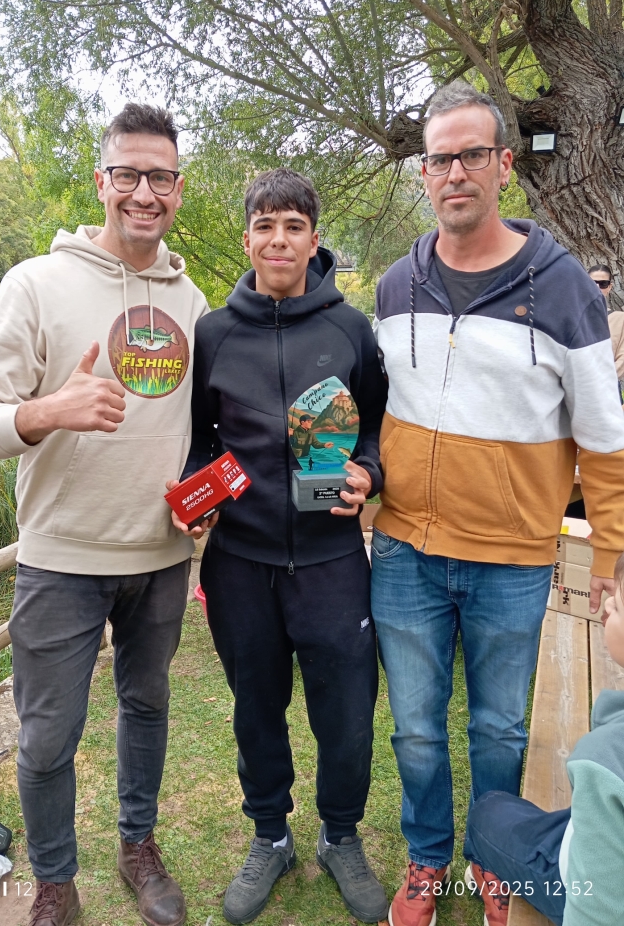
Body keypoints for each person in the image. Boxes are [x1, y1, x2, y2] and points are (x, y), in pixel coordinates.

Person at [370, 79, 624, 926]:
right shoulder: (395, 286)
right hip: (405, 549)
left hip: (513, 559)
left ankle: (492, 853)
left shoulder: (563, 291)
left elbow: (606, 440)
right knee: (413, 729)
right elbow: (375, 413)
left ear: (504, 165)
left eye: (471, 155)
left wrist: (613, 557)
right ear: (423, 174)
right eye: (438, 159)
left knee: (499, 732)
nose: (453, 174)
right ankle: (427, 858)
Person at [0, 103, 209, 926]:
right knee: (45, 740)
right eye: (128, 174)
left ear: (177, 188)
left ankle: (138, 845)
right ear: (102, 182)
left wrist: (206, 492)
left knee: (148, 708)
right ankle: (56, 884)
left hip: (161, 558)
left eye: (160, 177)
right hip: (61, 561)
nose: (145, 191)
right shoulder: (36, 282)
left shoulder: (193, 299)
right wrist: (48, 411)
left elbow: (199, 426)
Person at [168, 169, 389, 924]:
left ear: (314, 239)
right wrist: (195, 498)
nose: (279, 240)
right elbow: (203, 443)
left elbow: (376, 434)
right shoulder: (213, 333)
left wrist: (368, 472)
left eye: (293, 225)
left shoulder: (350, 329)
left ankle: (339, 834)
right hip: (241, 567)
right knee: (255, 708)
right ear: (247, 239)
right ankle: (269, 835)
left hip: (330, 563)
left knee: (348, 715)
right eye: (265, 226)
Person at [465, 551, 624, 926]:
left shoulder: (602, 760)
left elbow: (595, 912)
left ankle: (495, 873)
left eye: (622, 600)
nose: (611, 600)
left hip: (576, 883)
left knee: (487, 812)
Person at [588, 264, 624, 398]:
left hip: (607, 389)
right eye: (592, 283)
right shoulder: (571, 317)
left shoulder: (620, 319)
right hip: (574, 387)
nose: (597, 287)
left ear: (609, 287)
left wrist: (601, 378)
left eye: (603, 283)